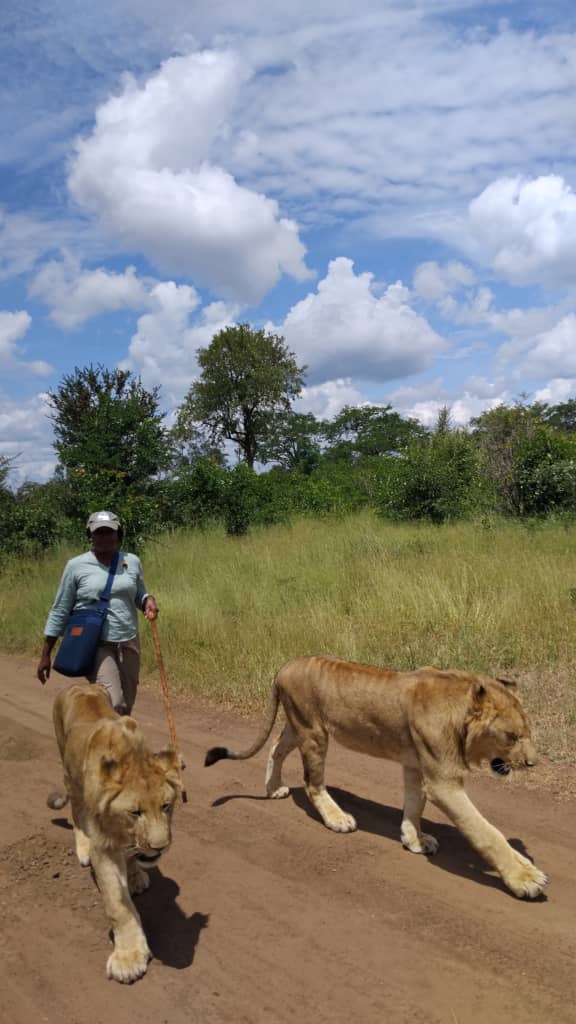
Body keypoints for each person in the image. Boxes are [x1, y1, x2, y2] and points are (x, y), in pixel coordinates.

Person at [37, 510, 158, 715]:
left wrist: (148, 600)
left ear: (118, 535)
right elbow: (61, 608)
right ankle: (109, 744)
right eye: (98, 533)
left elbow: (139, 594)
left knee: (127, 705)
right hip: (95, 642)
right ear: (90, 536)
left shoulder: (131, 561)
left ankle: (113, 744)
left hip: (129, 641)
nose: (103, 537)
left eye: (109, 532)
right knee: (114, 702)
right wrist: (46, 653)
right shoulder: (76, 566)